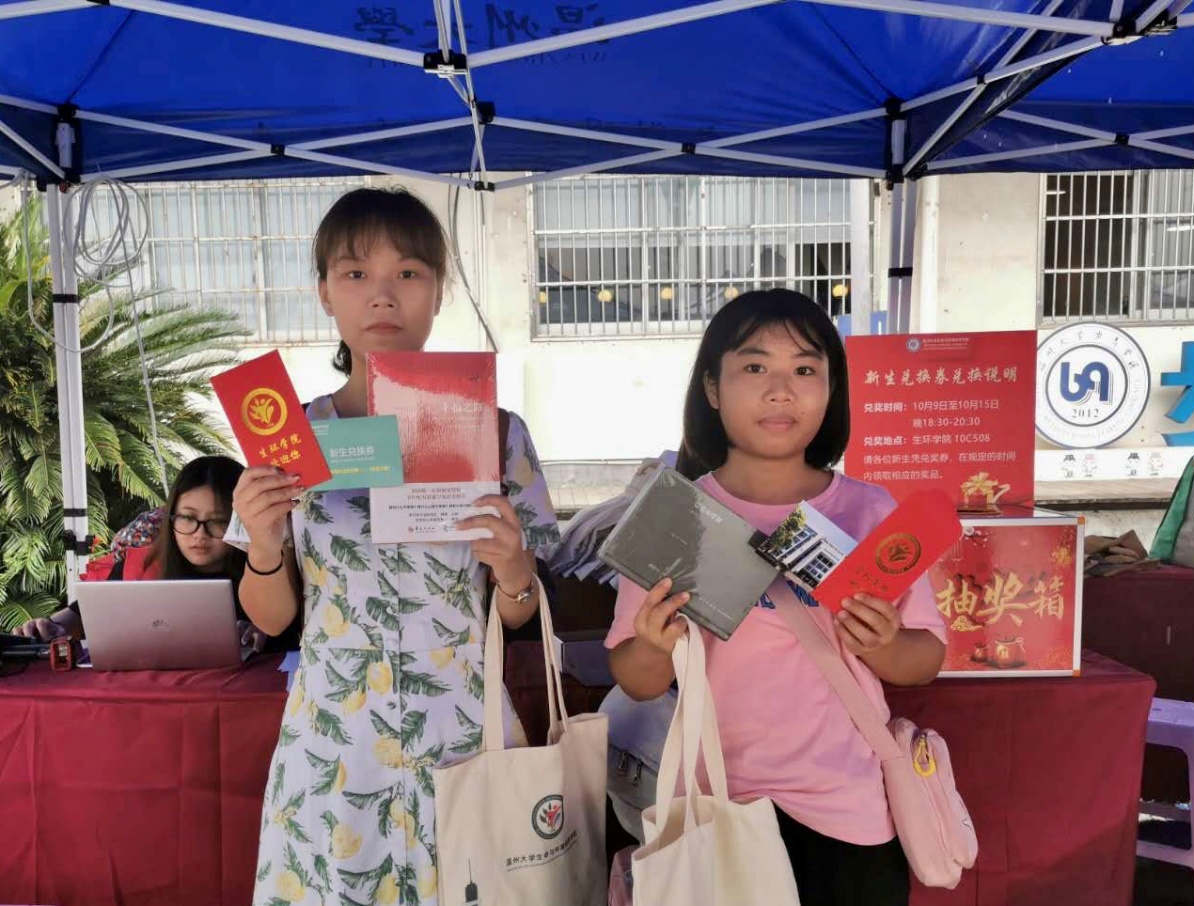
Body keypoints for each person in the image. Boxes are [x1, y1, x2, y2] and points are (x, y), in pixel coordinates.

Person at [232, 187, 560, 906]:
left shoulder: (497, 433)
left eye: (408, 273)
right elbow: (272, 618)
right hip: (336, 744)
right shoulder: (288, 437)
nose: (383, 295)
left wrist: (513, 569)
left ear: (439, 291)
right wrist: (262, 541)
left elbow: (519, 613)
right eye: (355, 274)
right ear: (324, 291)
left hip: (461, 728)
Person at [605, 288, 947, 906]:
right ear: (713, 389)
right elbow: (636, 678)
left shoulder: (870, 511)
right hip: (715, 804)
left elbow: (925, 660)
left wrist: (885, 644)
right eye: (755, 367)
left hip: (849, 810)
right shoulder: (675, 516)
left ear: (832, 389)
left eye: (806, 370)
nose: (781, 390)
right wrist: (654, 646)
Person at [15, 455, 296, 653]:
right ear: (169, 517)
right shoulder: (139, 567)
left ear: (241, 521)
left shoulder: (273, 571)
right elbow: (79, 617)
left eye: (218, 521)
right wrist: (46, 627)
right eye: (187, 518)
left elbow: (288, 632)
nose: (199, 534)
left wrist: (265, 631)